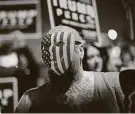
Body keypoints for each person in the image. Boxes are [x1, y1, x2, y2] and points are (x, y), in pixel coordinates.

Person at [15, 26, 132, 113]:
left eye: (60, 45)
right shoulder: (29, 101)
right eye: (46, 48)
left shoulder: (114, 84)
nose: (51, 53)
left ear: (80, 51)